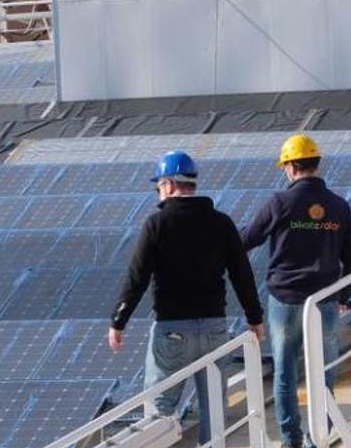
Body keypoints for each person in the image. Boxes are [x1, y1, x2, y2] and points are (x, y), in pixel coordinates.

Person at [108, 150, 265, 444]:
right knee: (214, 411)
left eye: (158, 186)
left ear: (168, 184)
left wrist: (118, 322)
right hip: (214, 329)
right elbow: (242, 274)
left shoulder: (156, 224)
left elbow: (137, 278)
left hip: (172, 332)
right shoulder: (222, 222)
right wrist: (255, 318)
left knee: (158, 412)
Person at [242, 134, 351, 448]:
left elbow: (248, 239)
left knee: (285, 371)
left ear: (292, 167)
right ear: (315, 164)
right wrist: (343, 296)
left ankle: (290, 439)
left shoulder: (279, 203)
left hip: (285, 299)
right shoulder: (338, 206)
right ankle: (317, 439)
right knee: (324, 372)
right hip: (324, 300)